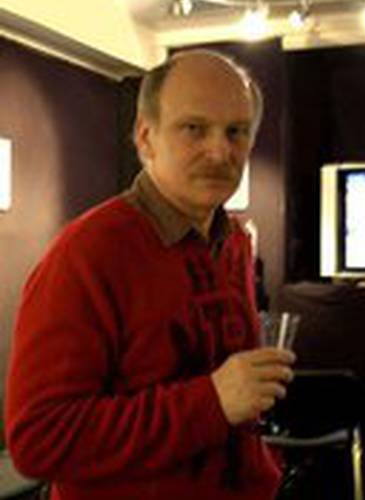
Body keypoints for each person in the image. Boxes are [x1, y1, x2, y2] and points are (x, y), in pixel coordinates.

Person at [5, 49, 295, 500]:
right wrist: (212, 402)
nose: (220, 151)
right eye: (194, 128)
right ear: (146, 137)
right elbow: (40, 440)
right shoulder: (87, 253)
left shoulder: (233, 240)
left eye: (236, 131)